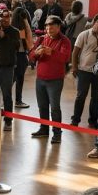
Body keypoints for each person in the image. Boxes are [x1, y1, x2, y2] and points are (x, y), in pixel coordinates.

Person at [29, 15, 71, 144]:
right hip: (40, 79)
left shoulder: (65, 41)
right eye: (47, 27)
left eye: (52, 27)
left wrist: (51, 51)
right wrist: (36, 53)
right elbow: (31, 56)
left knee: (54, 107)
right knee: (42, 106)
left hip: (55, 80)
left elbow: (65, 58)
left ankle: (57, 133)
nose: (49, 29)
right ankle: (44, 129)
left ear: (58, 27)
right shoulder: (41, 39)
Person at [70, 13, 98, 128]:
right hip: (84, 70)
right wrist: (74, 67)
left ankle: (93, 120)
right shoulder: (84, 35)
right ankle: (75, 119)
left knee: (96, 98)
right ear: (94, 22)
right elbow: (75, 52)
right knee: (81, 96)